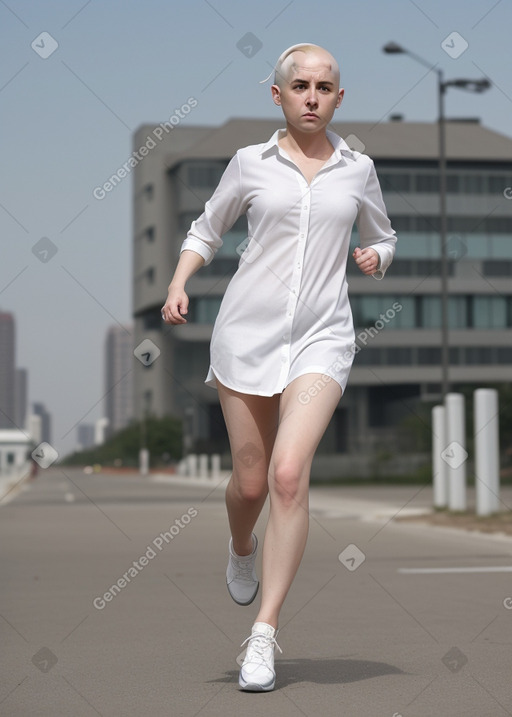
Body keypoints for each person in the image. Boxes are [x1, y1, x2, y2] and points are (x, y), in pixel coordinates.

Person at [161, 42, 397, 692]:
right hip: (247, 336)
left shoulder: (358, 169)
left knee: (290, 475)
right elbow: (205, 229)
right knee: (253, 480)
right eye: (301, 86)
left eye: (325, 87)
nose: (313, 97)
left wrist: (378, 257)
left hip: (322, 338)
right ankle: (242, 548)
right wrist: (181, 282)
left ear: (339, 98)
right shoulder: (250, 164)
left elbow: (383, 233)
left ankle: (262, 632)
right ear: (279, 95)